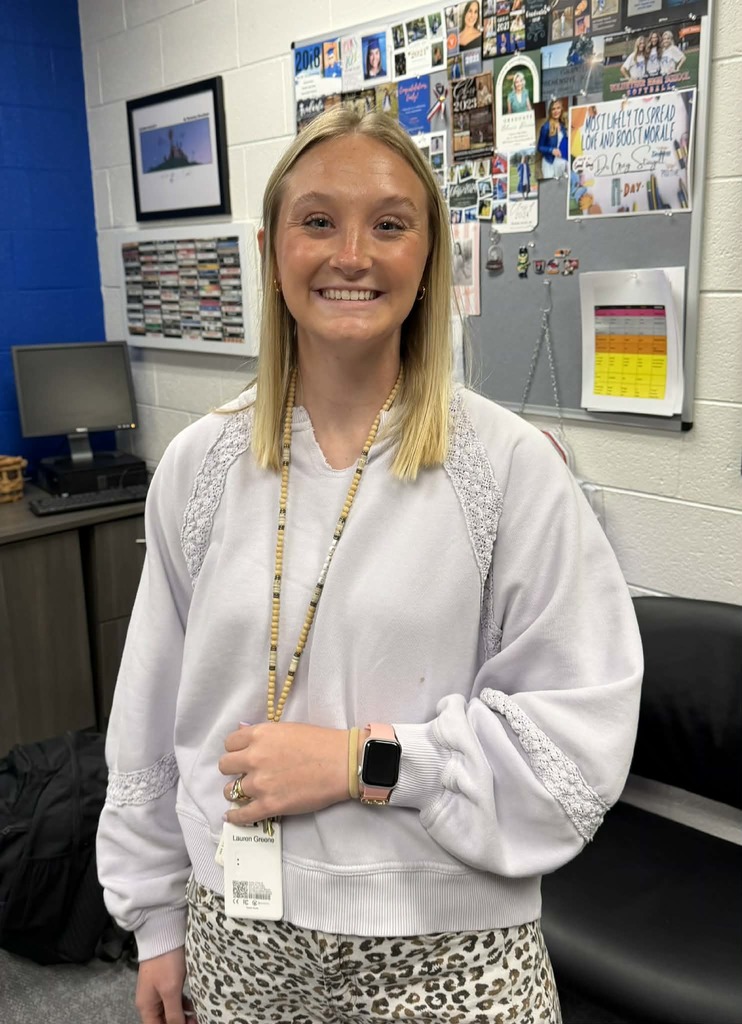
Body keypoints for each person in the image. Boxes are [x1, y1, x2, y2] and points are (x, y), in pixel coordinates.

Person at [97, 107, 642, 1024]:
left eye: (389, 224)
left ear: (429, 254)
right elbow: (149, 716)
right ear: (273, 249)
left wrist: (365, 762)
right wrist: (154, 916)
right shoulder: (199, 467)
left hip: (450, 950)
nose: (352, 254)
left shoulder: (510, 469)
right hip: (241, 935)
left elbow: (575, 749)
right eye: (318, 221)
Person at [538, 98, 568, 179]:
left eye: (558, 108)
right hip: (549, 162)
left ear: (561, 109)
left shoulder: (563, 126)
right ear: (550, 112)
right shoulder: (546, 127)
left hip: (561, 162)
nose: (556, 111)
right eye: (553, 109)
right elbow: (540, 147)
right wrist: (551, 150)